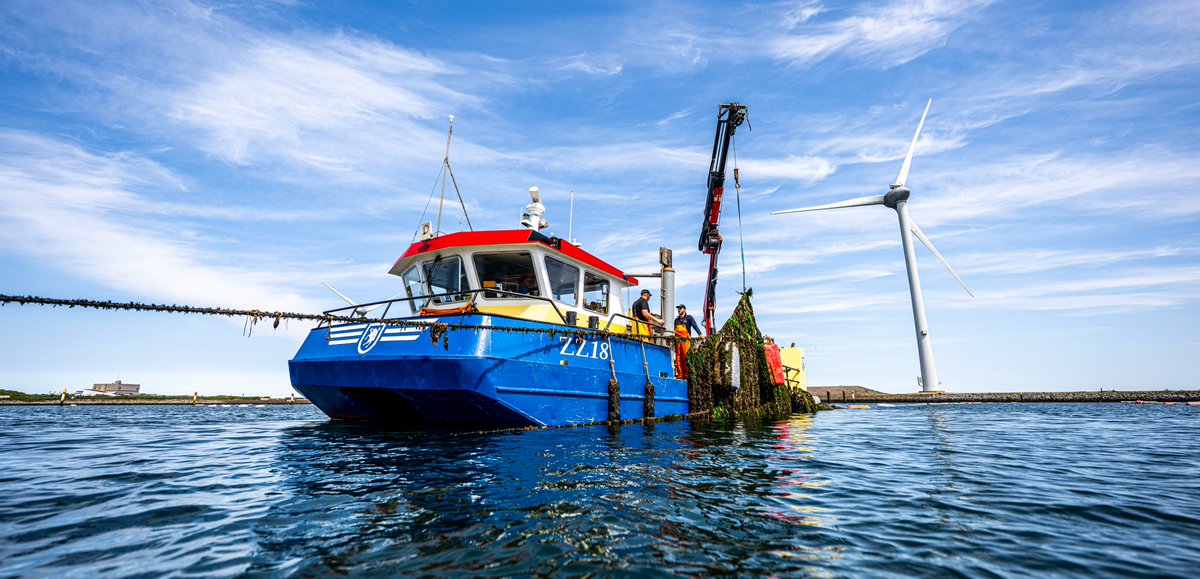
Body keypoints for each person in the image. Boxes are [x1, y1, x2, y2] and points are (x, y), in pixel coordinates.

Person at [673, 304, 702, 379]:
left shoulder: (689, 318)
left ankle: (687, 375)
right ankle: (680, 375)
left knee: (685, 358)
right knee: (678, 358)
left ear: (684, 309)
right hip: (678, 342)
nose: (679, 310)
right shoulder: (676, 320)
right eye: (678, 308)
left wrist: (700, 334)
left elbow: (695, 325)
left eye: (680, 308)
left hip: (686, 342)